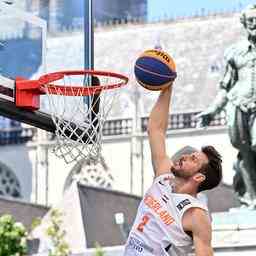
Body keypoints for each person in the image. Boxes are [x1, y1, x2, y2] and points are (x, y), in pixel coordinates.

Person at [123, 83, 222, 256]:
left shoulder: (196, 214)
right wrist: (166, 87)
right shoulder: (164, 175)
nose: (185, 156)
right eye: (190, 154)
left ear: (199, 177)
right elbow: (156, 129)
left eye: (193, 159)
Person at [197, 4, 256, 207]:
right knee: (246, 153)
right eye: (250, 20)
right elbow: (226, 87)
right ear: (244, 23)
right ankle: (252, 198)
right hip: (239, 105)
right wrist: (213, 110)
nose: (254, 24)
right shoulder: (235, 52)